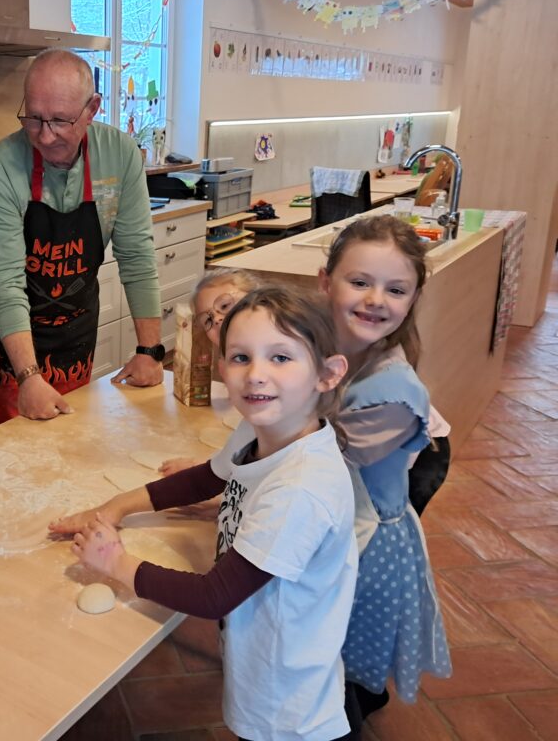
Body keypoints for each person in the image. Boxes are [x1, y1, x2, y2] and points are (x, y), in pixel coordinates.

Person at [50, 286, 357, 741]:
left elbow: (214, 596)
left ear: (326, 374)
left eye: (280, 357)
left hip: (285, 704)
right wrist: (113, 509)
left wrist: (115, 563)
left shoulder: (300, 490)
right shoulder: (262, 429)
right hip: (269, 657)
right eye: (240, 357)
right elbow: (203, 480)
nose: (256, 375)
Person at [0, 47, 163, 429]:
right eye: (33, 119)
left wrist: (150, 351)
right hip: (9, 340)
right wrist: (28, 377)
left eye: (60, 120)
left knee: (70, 437)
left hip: (74, 327)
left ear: (92, 109)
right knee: (13, 449)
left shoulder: (121, 155)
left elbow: (137, 256)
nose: (44, 136)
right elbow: (7, 283)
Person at [318, 215, 452, 724]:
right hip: (346, 521)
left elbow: (316, 464)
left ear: (413, 299)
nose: (376, 299)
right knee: (345, 661)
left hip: (366, 547)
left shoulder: (393, 394)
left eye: (395, 289)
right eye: (360, 282)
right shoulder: (329, 347)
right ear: (324, 281)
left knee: (334, 665)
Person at [159, 268, 262, 477]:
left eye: (225, 306)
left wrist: (219, 494)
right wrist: (210, 467)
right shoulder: (237, 365)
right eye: (207, 320)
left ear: (259, 300)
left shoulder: (278, 363)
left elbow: (278, 454)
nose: (216, 319)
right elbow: (253, 438)